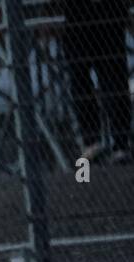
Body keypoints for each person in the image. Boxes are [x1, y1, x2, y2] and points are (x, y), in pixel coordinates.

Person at [61, 0, 131, 164]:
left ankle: (119, 143)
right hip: (78, 18)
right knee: (81, 80)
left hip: (107, 16)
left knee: (113, 80)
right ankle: (93, 142)